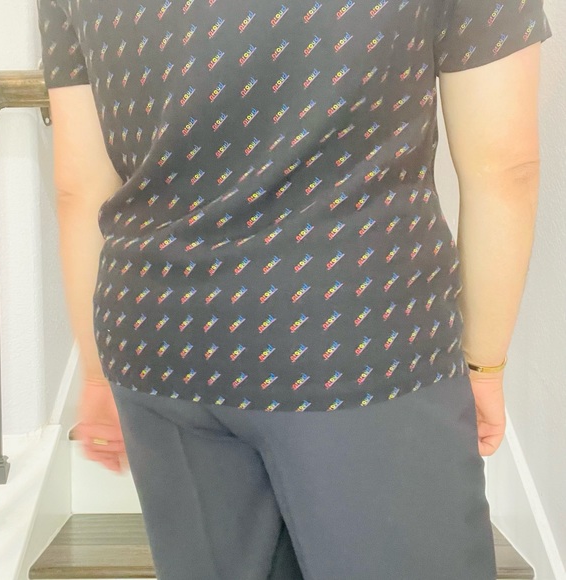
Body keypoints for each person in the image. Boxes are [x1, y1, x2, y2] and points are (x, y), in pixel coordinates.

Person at [37, 0, 552, 578]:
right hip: (357, 337)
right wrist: (484, 365)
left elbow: (79, 189)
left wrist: (96, 374)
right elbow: (505, 168)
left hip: (161, 338)